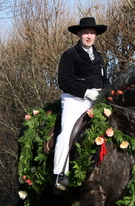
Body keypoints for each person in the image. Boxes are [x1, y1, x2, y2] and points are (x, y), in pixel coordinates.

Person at [53, 17, 110, 191]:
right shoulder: (69, 55)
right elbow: (63, 81)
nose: (89, 36)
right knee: (67, 132)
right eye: (85, 32)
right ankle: (60, 174)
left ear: (96, 36)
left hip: (97, 101)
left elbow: (105, 80)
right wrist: (86, 92)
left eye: (92, 33)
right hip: (75, 100)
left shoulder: (100, 57)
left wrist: (108, 94)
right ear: (78, 34)